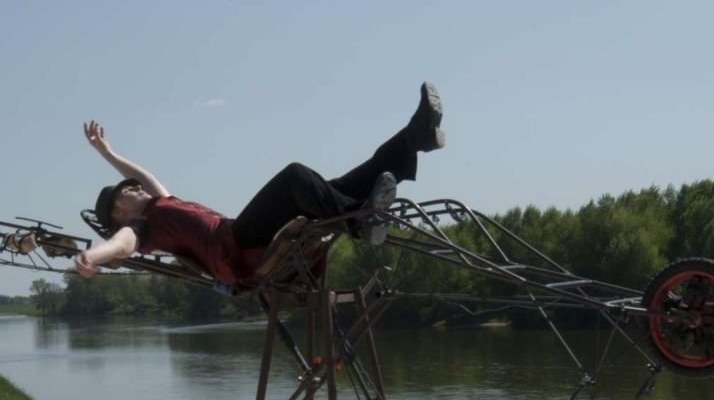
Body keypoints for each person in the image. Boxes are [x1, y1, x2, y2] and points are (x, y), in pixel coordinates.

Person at [74, 81, 446, 284]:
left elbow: (145, 176)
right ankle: (360, 221)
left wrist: (106, 152)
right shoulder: (143, 227)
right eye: (126, 191)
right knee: (295, 177)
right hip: (236, 246)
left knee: (342, 184)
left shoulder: (161, 206)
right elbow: (120, 245)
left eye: (129, 185)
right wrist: (92, 256)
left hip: (242, 234)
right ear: (120, 212)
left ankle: (413, 139)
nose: (133, 187)